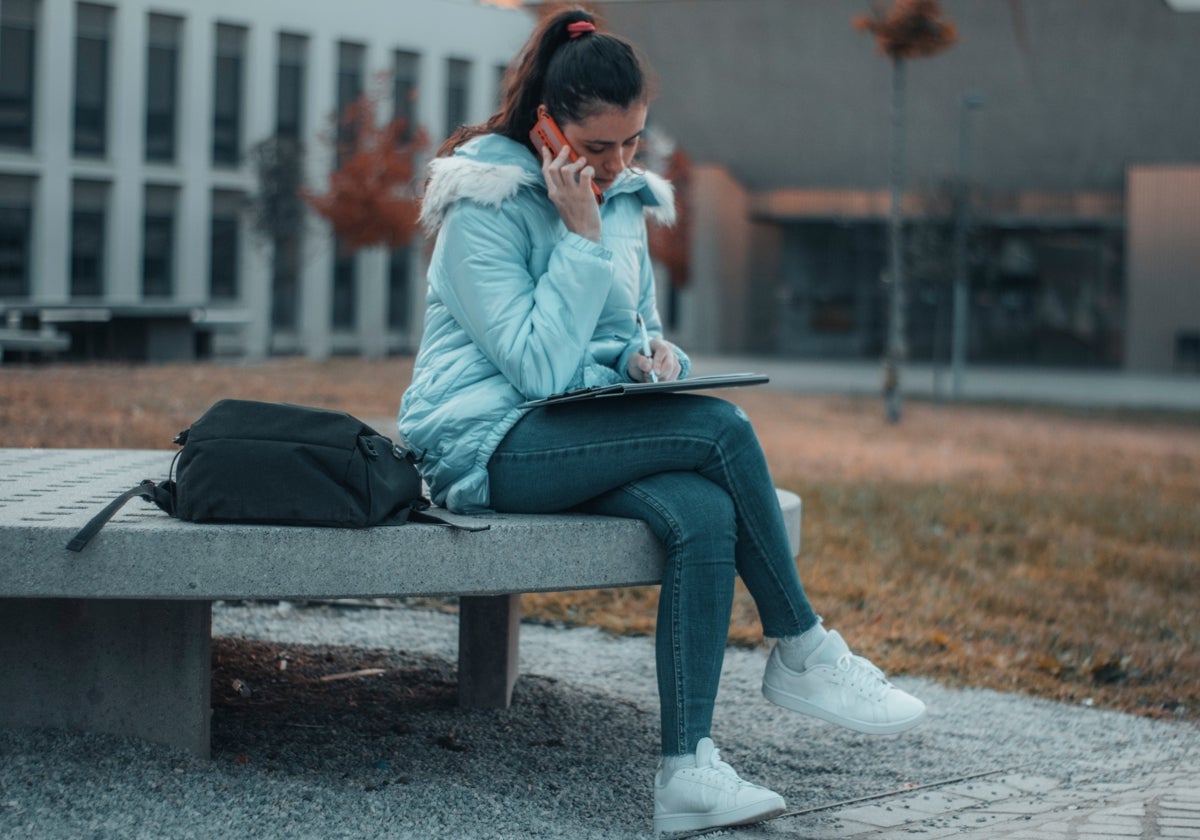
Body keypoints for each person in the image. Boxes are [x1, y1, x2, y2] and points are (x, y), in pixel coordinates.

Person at [399, 7, 925, 835]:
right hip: (482, 443)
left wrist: (653, 361)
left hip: (575, 427)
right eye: (598, 147)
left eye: (632, 143)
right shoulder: (483, 204)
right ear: (547, 126)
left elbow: (625, 330)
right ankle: (803, 648)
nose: (617, 167)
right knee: (720, 429)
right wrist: (577, 239)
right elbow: (532, 369)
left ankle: (687, 772)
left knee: (705, 510)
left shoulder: (625, 199)